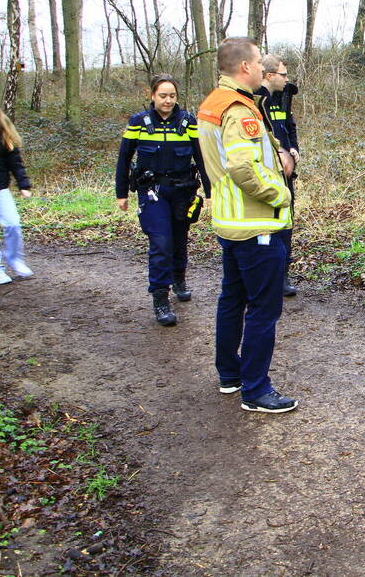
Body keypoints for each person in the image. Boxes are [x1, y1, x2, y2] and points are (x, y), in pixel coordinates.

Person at [196, 36, 298, 414]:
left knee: (232, 299)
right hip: (255, 224)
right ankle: (255, 389)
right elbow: (242, 166)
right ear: (244, 67)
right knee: (262, 309)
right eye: (257, 62)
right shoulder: (239, 110)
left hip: (229, 221)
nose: (261, 68)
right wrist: (280, 194)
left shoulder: (211, 103)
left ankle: (230, 375)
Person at [115, 74, 210, 327]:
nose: (168, 101)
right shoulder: (139, 122)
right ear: (153, 96)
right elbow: (124, 158)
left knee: (179, 239)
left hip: (182, 190)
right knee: (161, 242)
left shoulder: (187, 120)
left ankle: (179, 278)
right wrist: (121, 193)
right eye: (162, 96)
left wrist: (209, 192)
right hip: (151, 191)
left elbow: (201, 157)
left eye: (172, 96)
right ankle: (160, 298)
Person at [255, 54, 300, 297]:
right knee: (266, 224)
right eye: (283, 74)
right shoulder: (255, 101)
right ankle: (266, 275)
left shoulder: (284, 99)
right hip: (266, 174)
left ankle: (282, 275)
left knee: (286, 222)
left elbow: (289, 128)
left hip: (286, 174)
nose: (287, 78)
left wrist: (293, 151)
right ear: (269, 75)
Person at [0, 94, 33, 298]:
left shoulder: (4, 134)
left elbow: (16, 162)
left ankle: (15, 259)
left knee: (13, 224)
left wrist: (24, 185)